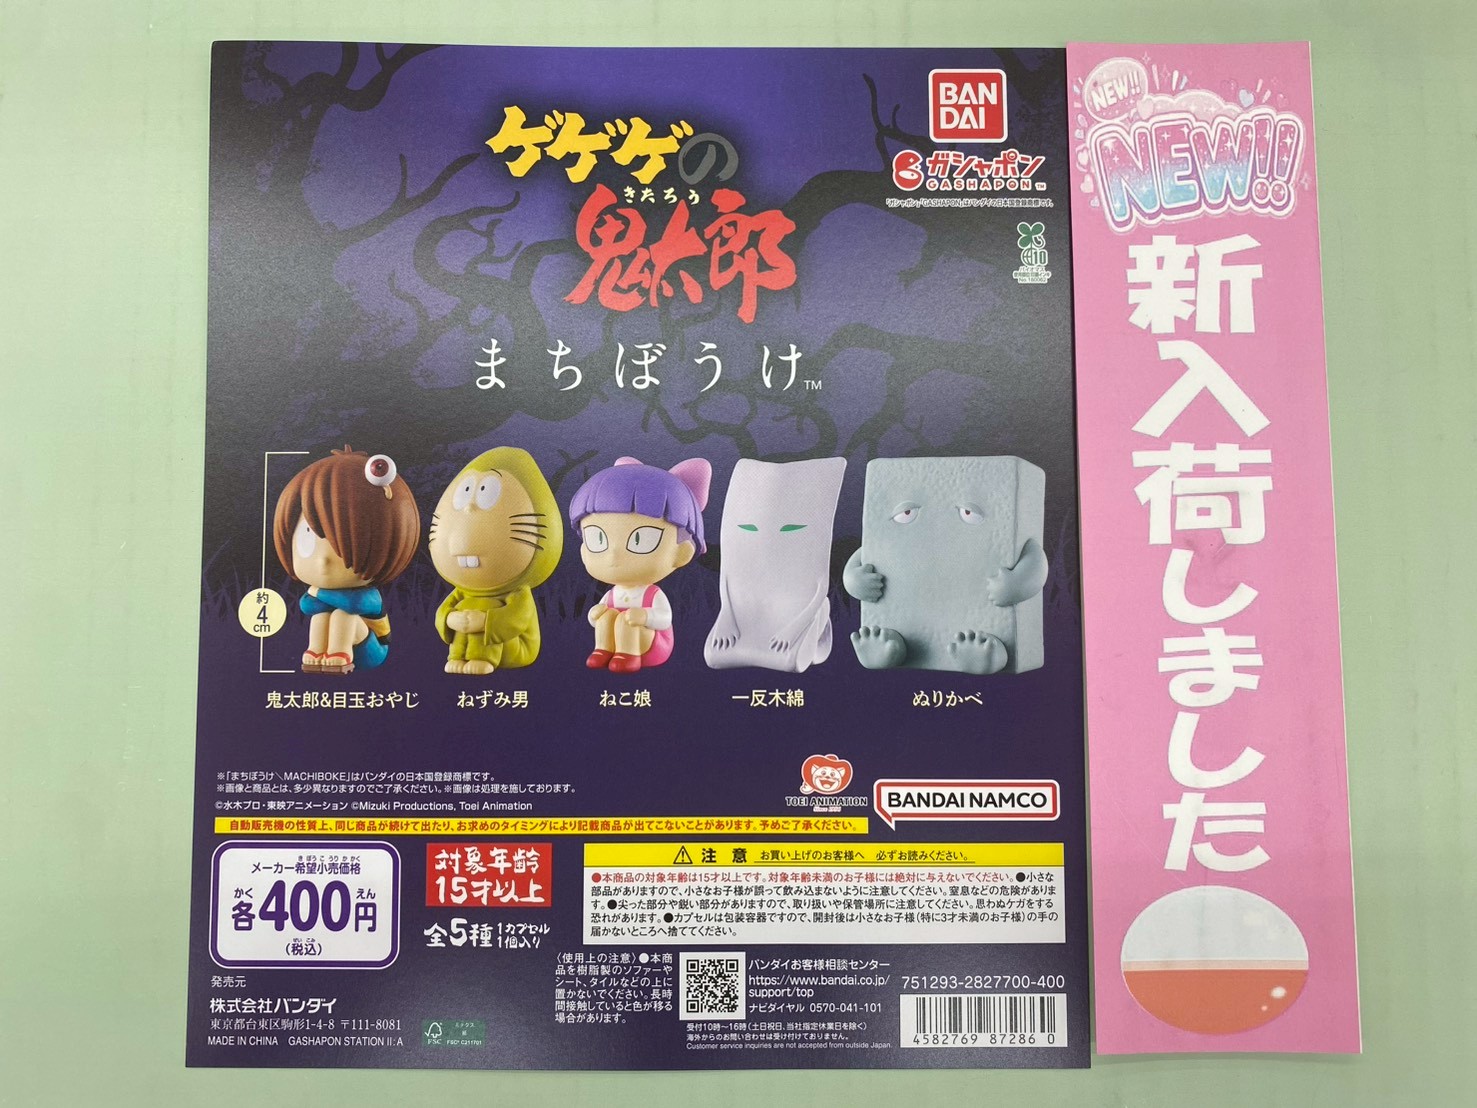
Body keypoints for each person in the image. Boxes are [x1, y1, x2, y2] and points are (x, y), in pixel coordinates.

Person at [273, 446, 421, 675]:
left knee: (343, 615)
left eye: (340, 545)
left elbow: (353, 605)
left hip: (372, 649)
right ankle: (316, 651)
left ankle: (340, 653)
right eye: (307, 541)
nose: (323, 560)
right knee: (322, 616)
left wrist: (317, 592)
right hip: (341, 640)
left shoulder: (369, 595)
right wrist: (317, 596)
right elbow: (307, 606)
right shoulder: (321, 589)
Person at [568, 456, 711, 674]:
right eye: (597, 539)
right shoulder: (613, 594)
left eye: (640, 540)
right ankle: (602, 650)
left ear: (682, 553)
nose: (614, 554)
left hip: (653, 646)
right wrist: (595, 614)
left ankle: (628, 656)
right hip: (619, 639)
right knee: (607, 617)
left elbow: (664, 619)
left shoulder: (652, 595)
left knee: (626, 621)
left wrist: (645, 617)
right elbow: (596, 618)